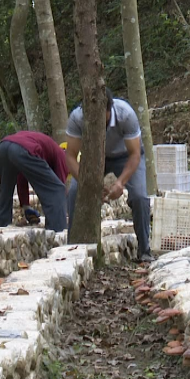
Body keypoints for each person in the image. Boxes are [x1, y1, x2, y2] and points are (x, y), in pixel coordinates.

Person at [64, 91, 153, 262]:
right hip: (94, 157)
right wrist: (88, 183)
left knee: (139, 196)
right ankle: (73, 246)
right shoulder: (77, 118)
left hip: (126, 156)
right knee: (75, 191)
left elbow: (135, 154)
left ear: (109, 109)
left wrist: (121, 182)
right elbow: (70, 156)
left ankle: (144, 250)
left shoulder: (126, 115)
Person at [0, 130, 69, 232]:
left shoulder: (46, 147)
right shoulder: (62, 156)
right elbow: (58, 187)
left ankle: (0, 229)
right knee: (56, 190)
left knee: (5, 193)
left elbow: (21, 177)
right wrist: (64, 212)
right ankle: (57, 232)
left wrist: (26, 206)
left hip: (3, 148)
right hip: (22, 150)